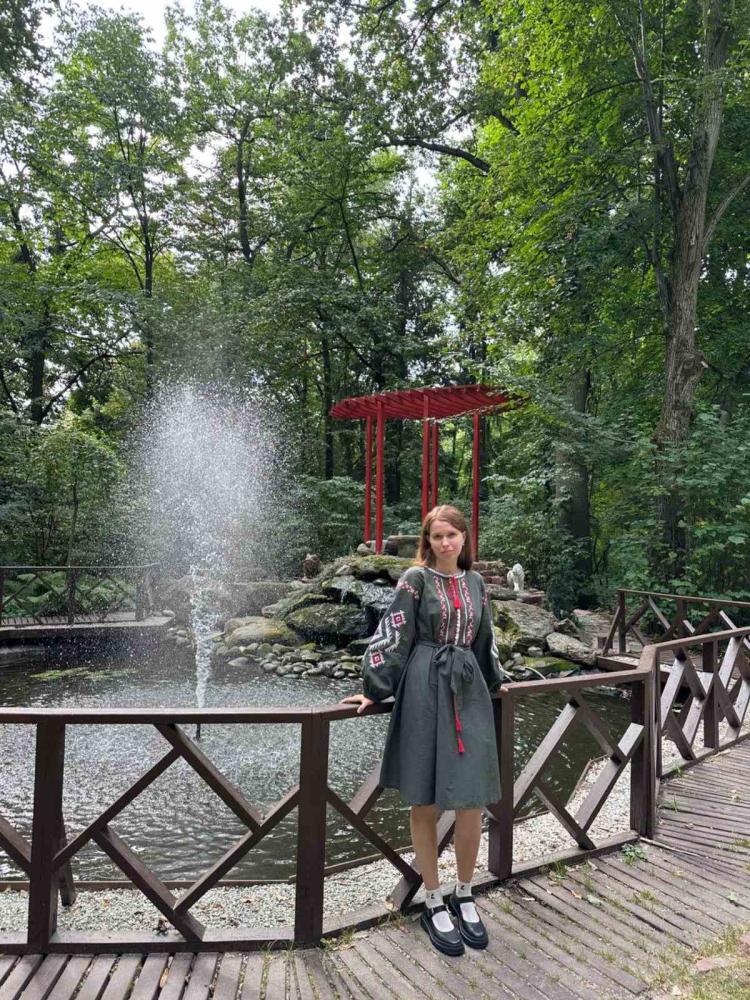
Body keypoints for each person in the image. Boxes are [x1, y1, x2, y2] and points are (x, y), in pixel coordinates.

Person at [341, 504, 503, 956]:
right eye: (437, 536)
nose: (445, 543)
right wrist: (374, 688)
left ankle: (464, 893)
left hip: (468, 691)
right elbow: (393, 634)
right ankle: (433, 899)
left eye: (452, 535)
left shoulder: (476, 584)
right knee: (425, 798)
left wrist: (496, 682)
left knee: (471, 798)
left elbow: (485, 639)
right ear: (427, 541)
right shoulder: (415, 580)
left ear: (464, 537)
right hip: (423, 689)